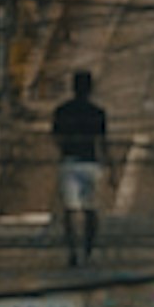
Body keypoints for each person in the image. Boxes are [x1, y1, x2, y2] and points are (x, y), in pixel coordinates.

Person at [49, 66, 113, 263]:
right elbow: (103, 142)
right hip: (91, 163)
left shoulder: (62, 111)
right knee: (91, 209)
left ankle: (72, 250)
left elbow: (55, 137)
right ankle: (88, 249)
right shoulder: (97, 112)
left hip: (69, 162)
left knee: (69, 210)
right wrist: (111, 168)